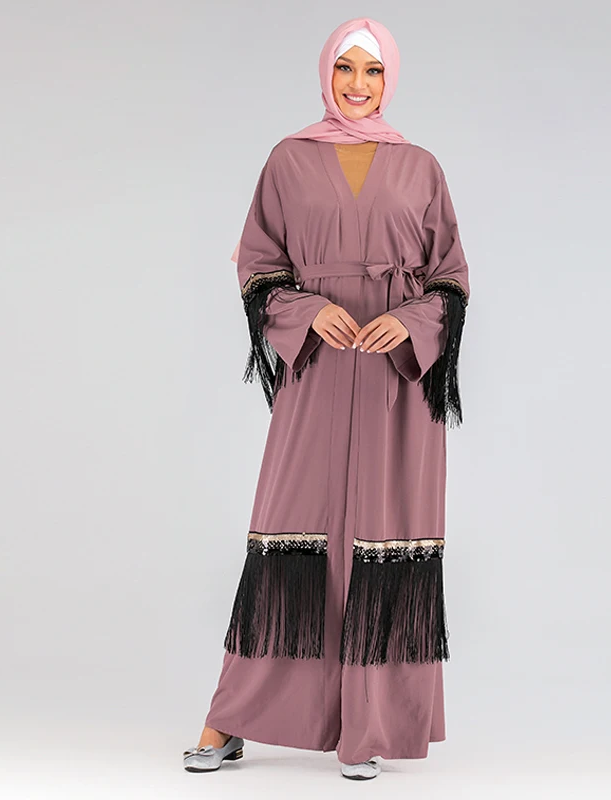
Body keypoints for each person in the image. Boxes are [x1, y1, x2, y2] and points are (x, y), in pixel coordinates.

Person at [183, 16, 471, 781]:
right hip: (318, 366)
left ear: (390, 79)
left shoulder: (421, 166)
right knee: (292, 536)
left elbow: (451, 276)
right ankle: (232, 716)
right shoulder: (289, 158)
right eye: (346, 68)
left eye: (372, 71)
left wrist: (410, 322)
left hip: (396, 376)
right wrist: (308, 310)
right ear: (326, 73)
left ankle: (367, 723)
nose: (357, 84)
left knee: (383, 536)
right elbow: (257, 262)